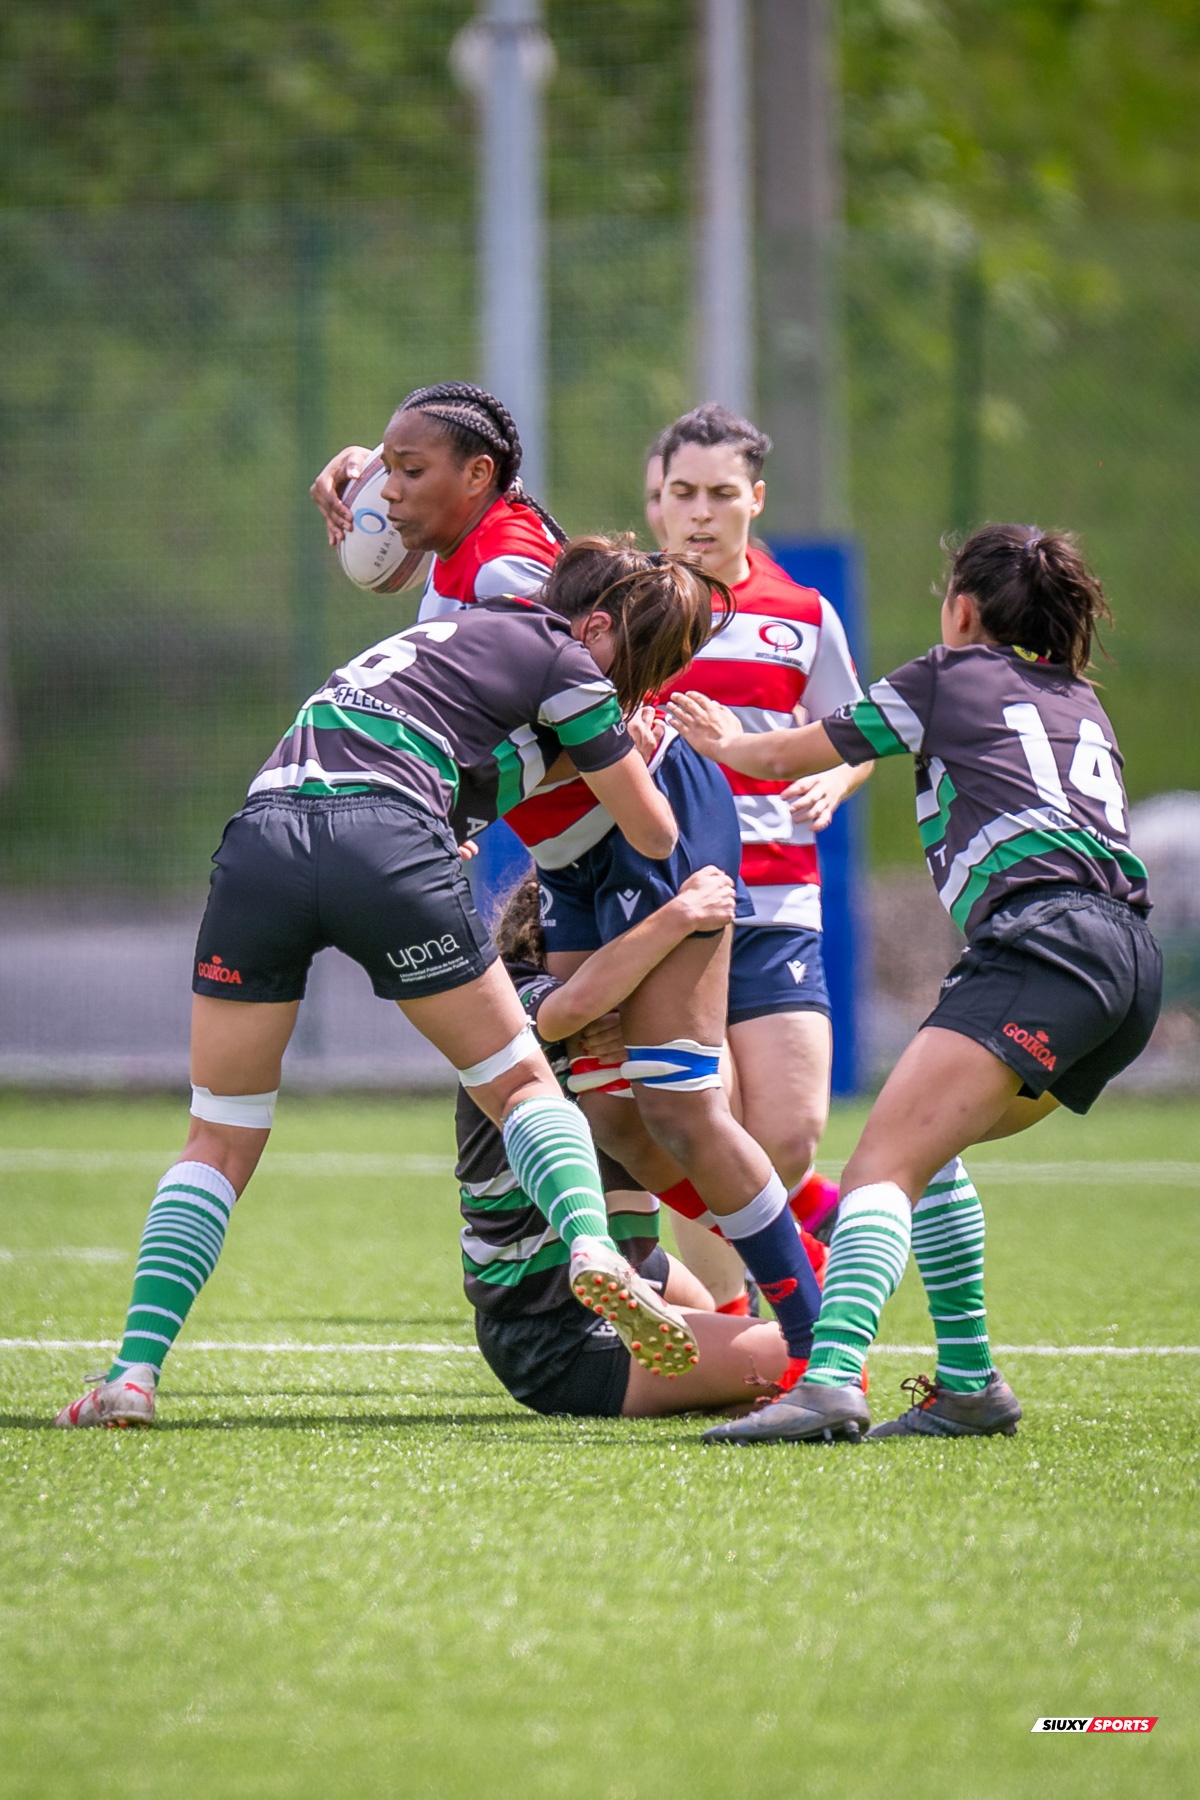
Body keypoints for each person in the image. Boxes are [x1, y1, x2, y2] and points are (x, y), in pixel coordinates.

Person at [53, 516, 726, 1427]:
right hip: (384, 837)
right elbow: (651, 831)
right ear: (597, 626)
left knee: (217, 1135)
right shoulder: (566, 657)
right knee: (521, 1085)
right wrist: (629, 744)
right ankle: (591, 1247)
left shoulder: (442, 640)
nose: (623, 690)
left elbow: (467, 762)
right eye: (631, 671)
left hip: (261, 839)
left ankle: (131, 1376)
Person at [670, 523, 1162, 1444]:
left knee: (879, 1169)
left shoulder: (948, 674)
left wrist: (726, 739)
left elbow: (786, 757)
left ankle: (826, 1383)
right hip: (1128, 961)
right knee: (930, 1158)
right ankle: (969, 1385)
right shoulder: (1080, 701)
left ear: (962, 610)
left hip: (1044, 947)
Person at [463, 871, 797, 1417]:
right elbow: (568, 1010)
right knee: (804, 1355)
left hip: (626, 1266)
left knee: (721, 1315)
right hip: (552, 1328)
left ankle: (718, 1392)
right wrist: (682, 914)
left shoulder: (611, 1021)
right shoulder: (515, 996)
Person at [310, 381, 564, 620]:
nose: (387, 491)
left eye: (412, 471)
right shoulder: (465, 533)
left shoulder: (500, 574)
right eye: (388, 470)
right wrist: (361, 472)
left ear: (477, 474)